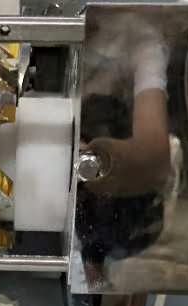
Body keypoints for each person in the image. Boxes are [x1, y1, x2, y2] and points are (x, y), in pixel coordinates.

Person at [78, 9, 171, 271]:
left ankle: (94, 265)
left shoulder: (138, 38)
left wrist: (85, 159)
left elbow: (154, 158)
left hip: (113, 204)